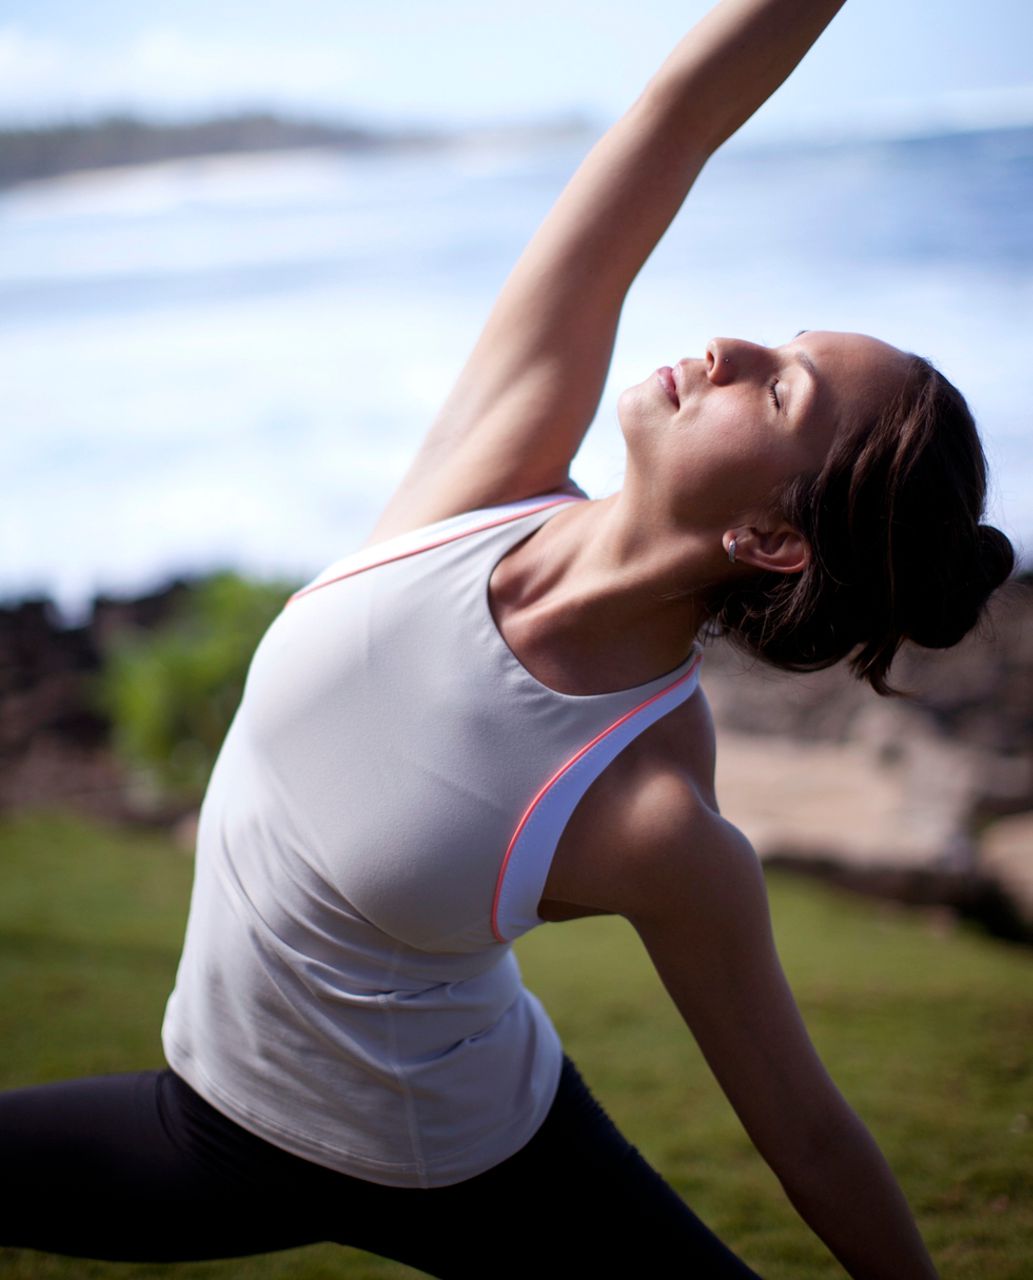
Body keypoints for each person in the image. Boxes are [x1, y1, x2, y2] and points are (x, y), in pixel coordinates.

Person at [0, 1, 1014, 1277]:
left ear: (773, 536)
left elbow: (805, 1131)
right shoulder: (495, 462)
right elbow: (677, 117)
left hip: (480, 1163)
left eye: (779, 386)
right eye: (780, 333)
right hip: (217, 1122)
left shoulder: (649, 810)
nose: (730, 342)